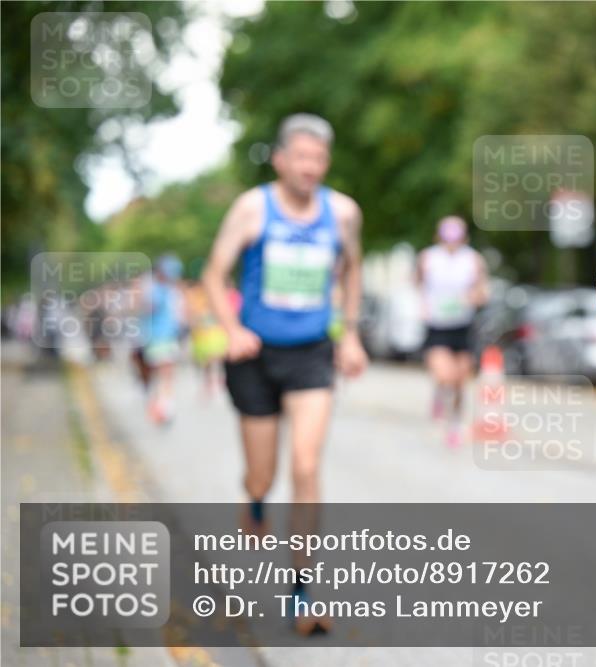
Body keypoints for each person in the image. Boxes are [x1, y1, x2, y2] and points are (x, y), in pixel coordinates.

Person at [202, 113, 367, 634]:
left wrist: (351, 332)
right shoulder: (252, 208)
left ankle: (302, 593)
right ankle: (252, 499)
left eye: (318, 159)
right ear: (279, 160)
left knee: (305, 464)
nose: (309, 168)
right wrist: (231, 328)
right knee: (263, 474)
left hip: (312, 353)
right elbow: (212, 273)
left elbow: (354, 267)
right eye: (300, 157)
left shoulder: (342, 213)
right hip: (254, 356)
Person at [415, 216, 489, 447]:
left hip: (462, 326)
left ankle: (455, 423)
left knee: (459, 381)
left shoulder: (473, 260)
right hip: (436, 326)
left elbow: (482, 291)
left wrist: (473, 297)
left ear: (464, 237)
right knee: (444, 375)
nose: (451, 243)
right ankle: (439, 394)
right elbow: (416, 284)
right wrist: (423, 304)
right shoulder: (428, 258)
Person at [143, 254, 185, 425]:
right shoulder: (154, 289)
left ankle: (162, 406)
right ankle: (162, 407)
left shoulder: (168, 290)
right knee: (164, 374)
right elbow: (148, 309)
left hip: (167, 336)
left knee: (166, 374)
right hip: (157, 338)